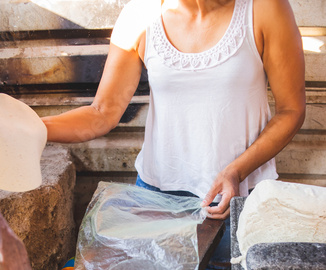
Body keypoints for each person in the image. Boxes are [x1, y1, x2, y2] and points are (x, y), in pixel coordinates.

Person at [42, 0, 305, 234]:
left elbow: (291, 111)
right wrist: (32, 127)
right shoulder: (139, 16)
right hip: (157, 198)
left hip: (240, 197)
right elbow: (101, 113)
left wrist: (236, 171)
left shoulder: (265, 8)